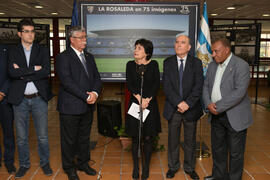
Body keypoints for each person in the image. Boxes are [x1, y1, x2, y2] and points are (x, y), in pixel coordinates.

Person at [7, 19, 53, 178]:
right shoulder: (13, 51)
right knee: (21, 137)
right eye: (26, 31)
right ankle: (24, 164)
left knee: (42, 136)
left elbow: (46, 71)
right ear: (20, 34)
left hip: (38, 98)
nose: (30, 34)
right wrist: (33, 69)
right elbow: (12, 73)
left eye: (32, 31)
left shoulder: (42, 50)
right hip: (20, 100)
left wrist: (23, 73)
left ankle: (45, 163)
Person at [203, 38, 253, 180]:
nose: (213, 54)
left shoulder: (241, 65)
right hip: (216, 115)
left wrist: (218, 106)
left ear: (226, 50)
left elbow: (239, 92)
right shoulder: (212, 66)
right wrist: (208, 104)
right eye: (212, 51)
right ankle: (219, 176)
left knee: (236, 152)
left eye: (216, 51)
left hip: (234, 115)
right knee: (218, 149)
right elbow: (206, 86)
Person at [56, 26, 102, 180]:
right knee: (69, 140)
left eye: (85, 37)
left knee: (84, 137)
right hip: (70, 106)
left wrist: (95, 93)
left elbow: (96, 77)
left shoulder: (89, 56)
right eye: (81, 37)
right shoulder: (63, 57)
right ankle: (69, 168)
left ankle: (83, 163)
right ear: (72, 39)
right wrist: (85, 96)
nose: (85, 40)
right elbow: (67, 81)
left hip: (88, 105)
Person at [163, 35, 203, 180]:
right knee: (173, 139)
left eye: (183, 42)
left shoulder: (197, 63)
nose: (179, 45)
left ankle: (189, 167)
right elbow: (166, 87)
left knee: (190, 140)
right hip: (173, 108)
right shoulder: (168, 62)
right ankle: (173, 167)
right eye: (177, 42)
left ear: (189, 47)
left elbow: (198, 87)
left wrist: (187, 104)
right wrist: (179, 103)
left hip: (191, 109)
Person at [125, 39, 161, 180]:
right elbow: (130, 84)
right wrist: (140, 99)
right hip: (135, 104)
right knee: (135, 138)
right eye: (135, 47)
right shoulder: (130, 65)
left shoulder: (153, 65)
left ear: (146, 52)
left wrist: (147, 99)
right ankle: (136, 167)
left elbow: (156, 84)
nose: (135, 50)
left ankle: (146, 168)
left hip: (150, 105)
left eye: (139, 48)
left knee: (147, 138)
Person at [0, 44, 16, 174]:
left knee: (8, 132)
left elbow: (11, 74)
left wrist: (2, 92)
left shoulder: (6, 50)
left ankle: (9, 161)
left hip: (4, 99)